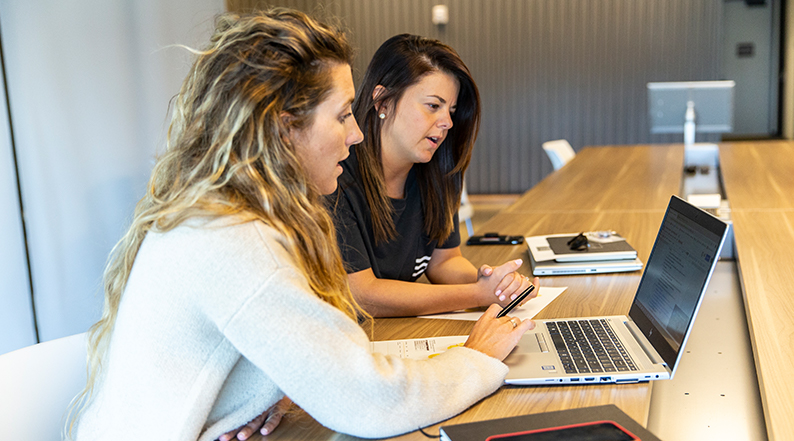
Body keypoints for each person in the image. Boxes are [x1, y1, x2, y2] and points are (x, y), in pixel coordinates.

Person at [66, 9, 534, 441]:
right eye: (342, 114)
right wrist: (475, 357)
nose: (356, 134)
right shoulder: (235, 241)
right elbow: (368, 401)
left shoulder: (232, 215)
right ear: (286, 127)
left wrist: (266, 387)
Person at [330, 34, 539, 317]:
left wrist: (496, 285)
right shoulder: (335, 177)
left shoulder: (437, 173)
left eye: (451, 110)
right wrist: (476, 293)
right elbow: (363, 295)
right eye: (433, 106)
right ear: (382, 101)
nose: (447, 123)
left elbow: (444, 262)